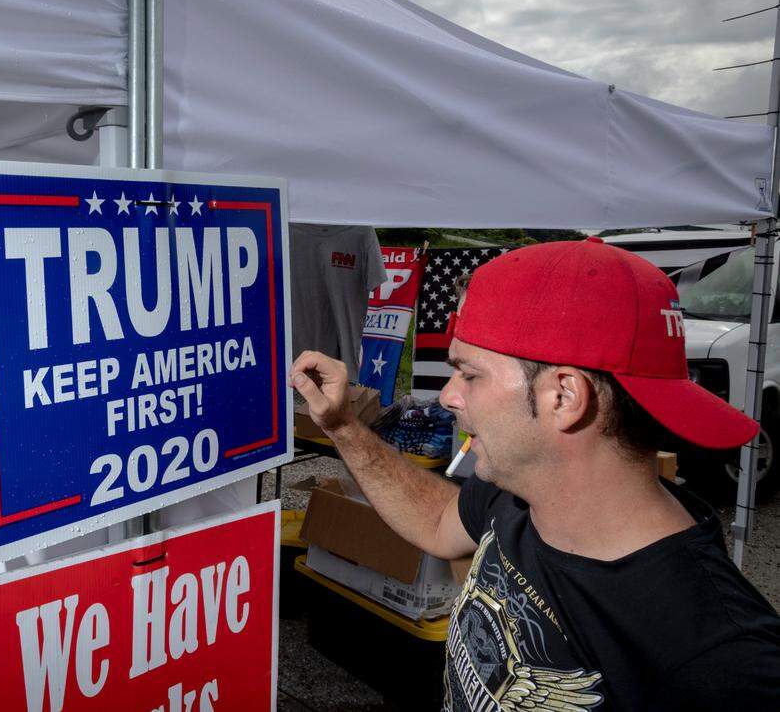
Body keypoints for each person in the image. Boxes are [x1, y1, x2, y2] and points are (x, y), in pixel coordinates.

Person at [292, 237, 780, 711]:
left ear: (564, 396)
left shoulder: (721, 666)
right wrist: (343, 427)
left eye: (469, 373)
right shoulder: (521, 490)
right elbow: (441, 522)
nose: (447, 396)